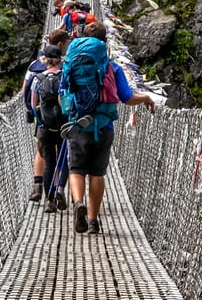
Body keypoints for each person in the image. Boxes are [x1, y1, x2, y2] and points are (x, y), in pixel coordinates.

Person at [65, 22, 154, 236]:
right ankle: (94, 221)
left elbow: (64, 92)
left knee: (76, 170)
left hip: (78, 125)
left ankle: (78, 204)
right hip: (104, 127)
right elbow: (127, 97)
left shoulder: (71, 63)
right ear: (105, 43)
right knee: (97, 173)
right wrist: (146, 97)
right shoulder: (113, 67)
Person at [23, 28, 70, 200]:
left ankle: (39, 188)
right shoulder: (66, 70)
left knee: (43, 153)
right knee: (62, 154)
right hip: (63, 122)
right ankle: (59, 188)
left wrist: (33, 113)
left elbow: (26, 92)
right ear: (60, 46)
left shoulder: (34, 67)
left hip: (43, 120)